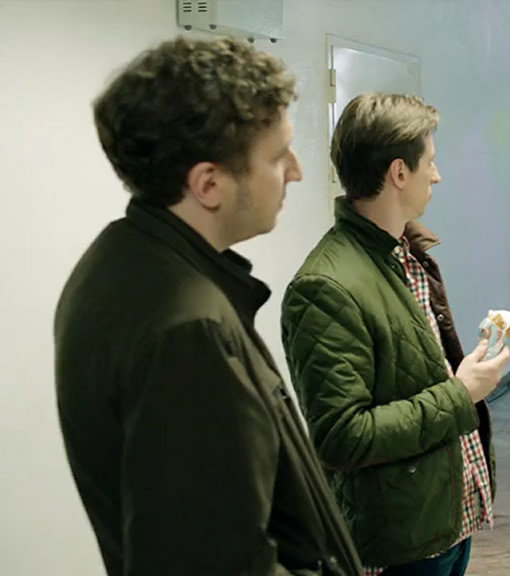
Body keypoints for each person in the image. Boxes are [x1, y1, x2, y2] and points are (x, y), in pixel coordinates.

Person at [54, 37, 362, 575]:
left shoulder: (119, 259)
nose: (296, 170)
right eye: (278, 155)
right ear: (209, 183)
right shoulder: (188, 331)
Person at [280, 92, 510, 576]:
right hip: (402, 542)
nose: (437, 175)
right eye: (431, 161)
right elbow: (342, 437)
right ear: (399, 172)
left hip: (446, 515)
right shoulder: (324, 287)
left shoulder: (405, 253)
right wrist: (462, 393)